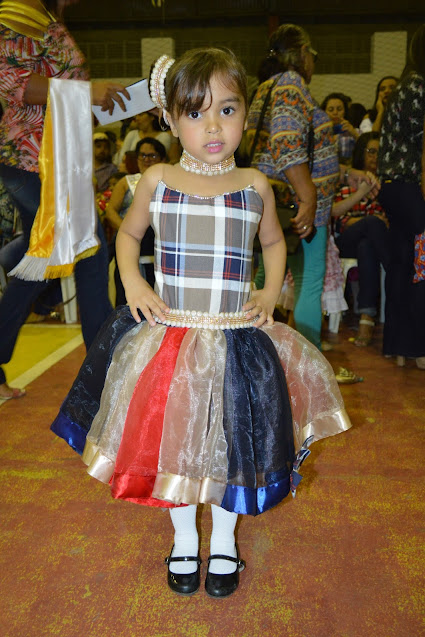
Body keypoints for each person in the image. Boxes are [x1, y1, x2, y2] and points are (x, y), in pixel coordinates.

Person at [51, 47, 351, 599]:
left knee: (232, 447)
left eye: (227, 110)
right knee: (179, 446)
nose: (213, 126)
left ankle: (226, 542)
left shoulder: (255, 185)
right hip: (172, 340)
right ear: (170, 119)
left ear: (245, 115)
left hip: (236, 340)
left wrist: (269, 290)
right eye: (196, 112)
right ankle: (185, 538)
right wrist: (134, 282)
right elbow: (128, 235)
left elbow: (273, 242)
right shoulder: (157, 178)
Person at [0, 0, 129, 400]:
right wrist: (87, 91)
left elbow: (54, 90)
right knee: (87, 254)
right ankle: (104, 374)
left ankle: (103, 372)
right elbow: (13, 83)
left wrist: (96, 101)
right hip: (32, 159)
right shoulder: (16, 12)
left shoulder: (46, 18)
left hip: (57, 160)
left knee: (47, 258)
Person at [247, 24, 377, 350]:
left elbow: (299, 151)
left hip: (274, 202)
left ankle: (258, 352)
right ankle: (307, 363)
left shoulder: (266, 88)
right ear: (303, 52)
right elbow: (287, 143)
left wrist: (345, 173)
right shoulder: (291, 85)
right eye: (313, 54)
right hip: (300, 205)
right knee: (309, 280)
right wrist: (308, 198)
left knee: (270, 277)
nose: (313, 62)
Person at [378, 25, 425, 369]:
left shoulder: (406, 85)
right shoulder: (420, 86)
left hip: (392, 186)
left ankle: (397, 345)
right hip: (410, 186)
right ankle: (418, 347)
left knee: (402, 262)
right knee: (421, 263)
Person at [332, 132, 388, 346]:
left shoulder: (385, 184)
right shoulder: (347, 181)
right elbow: (338, 221)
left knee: (367, 245)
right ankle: (394, 267)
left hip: (370, 245)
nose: (375, 157)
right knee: (372, 224)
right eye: (371, 151)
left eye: (380, 152)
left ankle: (367, 316)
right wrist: (368, 221)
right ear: (360, 153)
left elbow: (388, 222)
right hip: (344, 242)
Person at [105, 137, 166, 304]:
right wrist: (130, 232)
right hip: (132, 246)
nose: (146, 160)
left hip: (160, 246)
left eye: (152, 156)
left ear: (162, 159)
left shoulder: (170, 183)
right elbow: (110, 211)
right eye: (142, 155)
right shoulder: (126, 182)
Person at [321, 92, 358, 163]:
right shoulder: (319, 133)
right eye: (331, 110)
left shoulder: (354, 131)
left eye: (339, 109)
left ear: (345, 111)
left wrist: (355, 134)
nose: (335, 113)